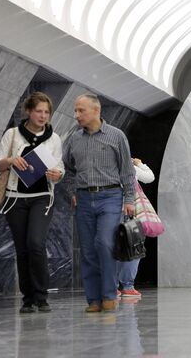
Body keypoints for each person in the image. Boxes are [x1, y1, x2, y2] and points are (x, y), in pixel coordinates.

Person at [0, 92, 64, 313]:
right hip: (15, 199)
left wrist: (56, 175)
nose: (43, 116)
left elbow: (60, 168)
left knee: (35, 243)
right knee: (22, 248)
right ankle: (28, 298)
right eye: (39, 111)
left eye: (46, 112)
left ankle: (42, 297)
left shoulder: (54, 138)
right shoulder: (13, 135)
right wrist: (11, 160)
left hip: (42, 198)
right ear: (29, 112)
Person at [63, 94, 135, 312]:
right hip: (84, 199)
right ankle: (93, 300)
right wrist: (71, 191)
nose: (76, 115)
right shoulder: (74, 139)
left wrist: (129, 199)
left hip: (111, 197)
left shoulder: (117, 136)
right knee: (87, 251)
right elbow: (67, 170)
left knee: (104, 243)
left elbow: (127, 171)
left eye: (81, 110)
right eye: (75, 111)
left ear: (96, 110)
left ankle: (109, 295)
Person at [117, 157, 154, 298]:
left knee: (112, 247)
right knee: (134, 246)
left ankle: (113, 286)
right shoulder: (129, 166)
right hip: (131, 211)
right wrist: (139, 163)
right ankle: (127, 286)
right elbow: (149, 177)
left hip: (110, 211)